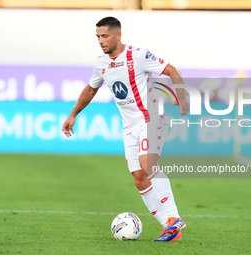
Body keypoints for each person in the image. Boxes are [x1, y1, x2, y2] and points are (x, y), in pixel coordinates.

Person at [62, 17, 189, 242]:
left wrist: (182, 95)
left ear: (118, 35)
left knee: (147, 164)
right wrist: (73, 114)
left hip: (151, 119)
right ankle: (169, 230)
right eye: (98, 37)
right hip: (129, 127)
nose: (101, 41)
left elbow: (171, 70)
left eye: (105, 36)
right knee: (140, 178)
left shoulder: (138, 55)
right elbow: (91, 89)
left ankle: (173, 217)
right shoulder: (101, 63)